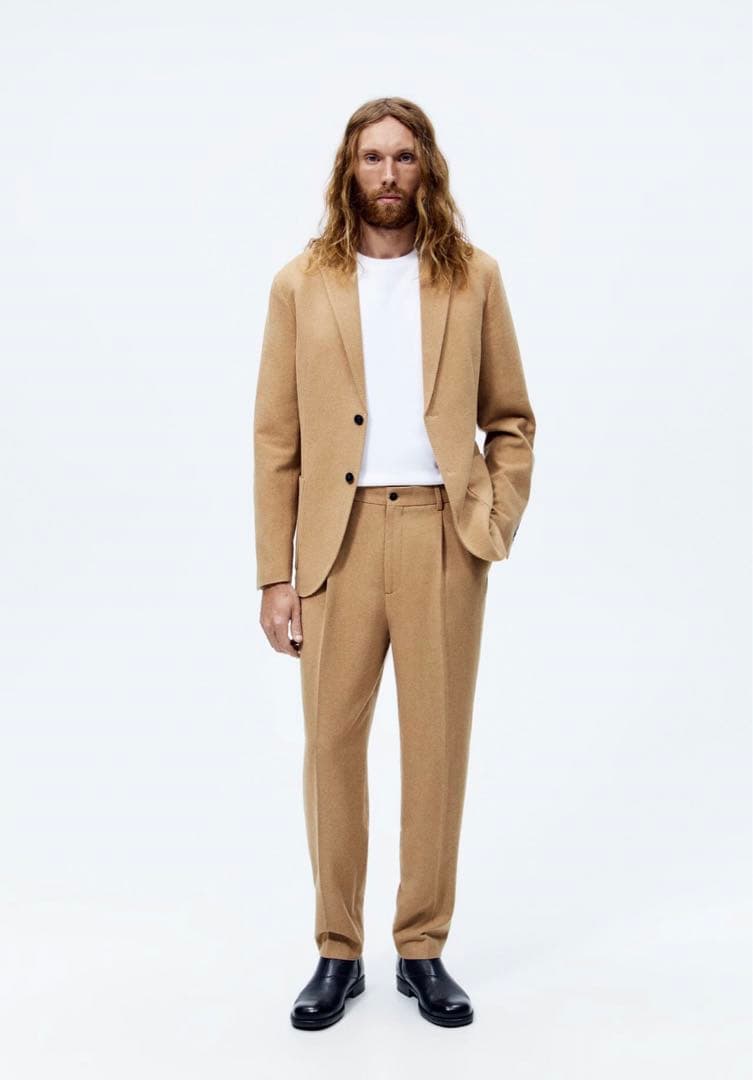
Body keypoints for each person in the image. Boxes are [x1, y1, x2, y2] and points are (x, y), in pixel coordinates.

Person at [253, 97, 536, 1029]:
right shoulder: (301, 285)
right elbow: (276, 441)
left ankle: (421, 948)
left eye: (403, 157)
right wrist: (275, 573)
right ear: (349, 168)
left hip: (441, 536)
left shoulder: (472, 277)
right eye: (371, 157)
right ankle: (337, 950)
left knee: (435, 749)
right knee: (330, 749)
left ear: (427, 169)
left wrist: (490, 518)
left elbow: (511, 419)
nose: (387, 174)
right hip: (335, 543)